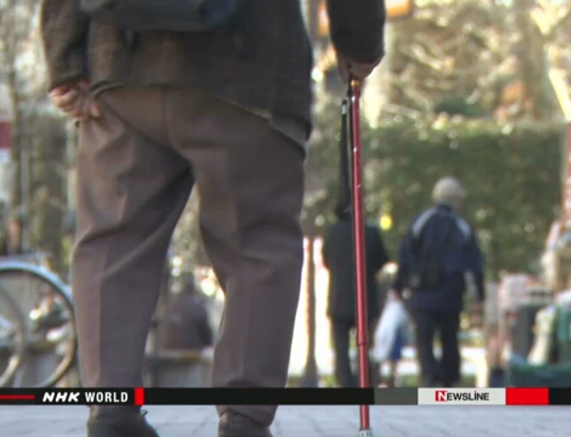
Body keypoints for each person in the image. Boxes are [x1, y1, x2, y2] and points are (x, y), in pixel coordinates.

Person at [40, 1, 386, 436]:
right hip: (253, 65)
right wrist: (358, 45)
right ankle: (244, 417)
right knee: (256, 248)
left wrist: (64, 57)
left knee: (115, 241)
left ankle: (111, 409)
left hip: (122, 59)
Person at [390, 177, 485, 388]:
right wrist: (479, 296)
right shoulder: (461, 226)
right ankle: (450, 378)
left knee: (423, 337)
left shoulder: (421, 221)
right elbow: (475, 264)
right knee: (450, 336)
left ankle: (430, 376)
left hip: (423, 291)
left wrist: (398, 286)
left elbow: (406, 255)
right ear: (455, 199)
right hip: (452, 292)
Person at [322, 204, 389, 388]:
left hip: (338, 297)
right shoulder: (370, 232)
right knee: (365, 343)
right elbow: (382, 260)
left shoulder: (331, 233)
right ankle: (364, 379)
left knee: (341, 346)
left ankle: (344, 381)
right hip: (364, 298)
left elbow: (326, 260)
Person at [161, 273, 214, 352]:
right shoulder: (198, 307)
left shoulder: (171, 306)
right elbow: (207, 336)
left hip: (168, 351)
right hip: (192, 352)